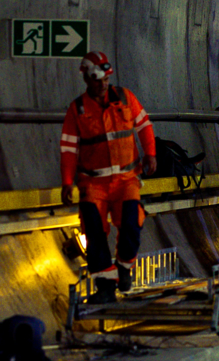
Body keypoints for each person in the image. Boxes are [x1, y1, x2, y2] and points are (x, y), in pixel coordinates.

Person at [59, 52, 157, 304]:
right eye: (97, 80)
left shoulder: (125, 98)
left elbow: (144, 125)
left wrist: (151, 154)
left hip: (126, 181)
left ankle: (124, 268)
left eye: (106, 79)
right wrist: (67, 181)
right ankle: (105, 288)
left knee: (132, 225)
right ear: (86, 79)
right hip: (93, 184)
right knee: (94, 232)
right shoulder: (77, 109)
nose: (103, 84)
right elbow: (69, 148)